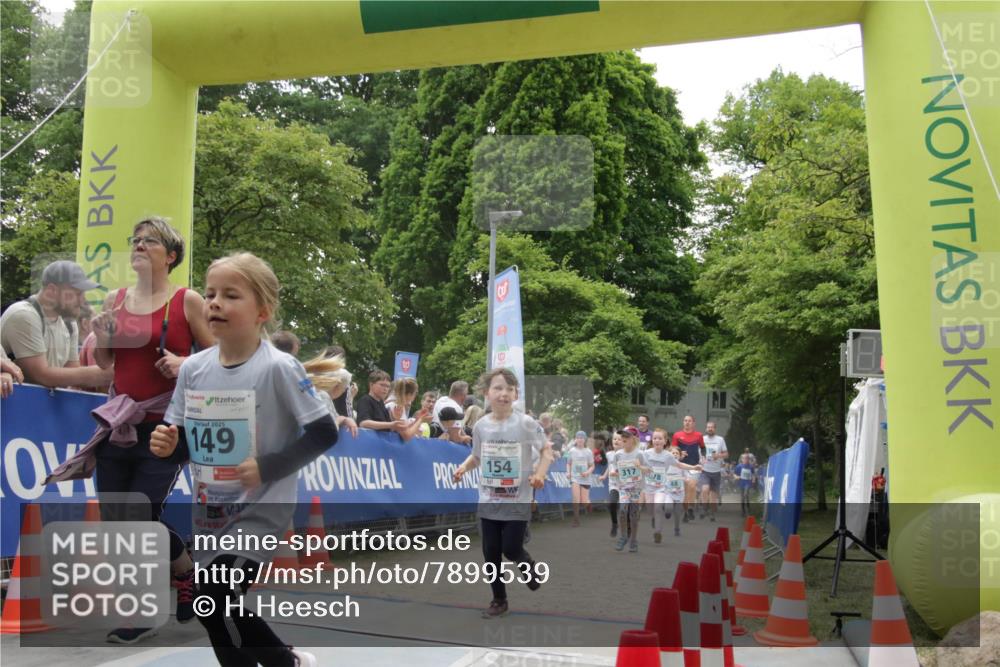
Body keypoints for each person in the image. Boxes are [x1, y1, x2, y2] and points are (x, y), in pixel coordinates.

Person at [150, 252, 337, 667]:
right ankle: (286, 661)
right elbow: (186, 441)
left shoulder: (278, 368)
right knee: (211, 606)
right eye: (211, 292)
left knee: (215, 598)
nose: (215, 302)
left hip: (261, 510)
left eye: (231, 295)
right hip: (211, 511)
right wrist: (168, 444)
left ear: (261, 312)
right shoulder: (194, 369)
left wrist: (266, 467)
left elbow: (325, 432)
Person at [86, 219, 214, 643]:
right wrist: (103, 336)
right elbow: (106, 363)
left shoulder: (187, 300)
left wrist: (184, 364)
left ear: (170, 255)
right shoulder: (115, 299)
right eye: (135, 240)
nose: (139, 245)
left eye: (149, 241)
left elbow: (220, 359)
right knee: (118, 517)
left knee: (138, 516)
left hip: (168, 425)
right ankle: (187, 574)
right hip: (119, 421)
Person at [452, 368, 552, 619]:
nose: (504, 394)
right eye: (498, 388)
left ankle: (527, 565)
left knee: (511, 548)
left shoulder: (526, 423)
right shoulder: (481, 426)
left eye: (509, 389)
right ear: (486, 393)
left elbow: (547, 451)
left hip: (517, 498)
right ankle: (499, 600)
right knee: (491, 552)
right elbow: (477, 456)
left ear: (516, 394)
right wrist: (463, 468)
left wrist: (539, 474)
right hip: (488, 498)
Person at [1, 260, 111, 389]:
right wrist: (108, 373)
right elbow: (42, 376)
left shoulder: (69, 323)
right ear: (52, 290)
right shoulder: (24, 314)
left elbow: (72, 374)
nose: (82, 301)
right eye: (77, 293)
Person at [645, 428, 701, 543]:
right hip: (649, 487)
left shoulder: (667, 456)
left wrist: (694, 467)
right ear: (652, 440)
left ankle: (658, 532)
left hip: (661, 487)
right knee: (651, 510)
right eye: (655, 438)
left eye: (660, 438)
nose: (657, 441)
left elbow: (679, 465)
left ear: (665, 441)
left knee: (658, 507)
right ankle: (654, 518)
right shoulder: (646, 454)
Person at [303, 353, 358, 437]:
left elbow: (334, 416)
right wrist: (340, 420)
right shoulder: (322, 395)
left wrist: (344, 419)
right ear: (337, 385)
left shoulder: (313, 391)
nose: (343, 392)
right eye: (343, 389)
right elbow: (329, 431)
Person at [611, 426, 648, 553]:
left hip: (636, 488)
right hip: (624, 488)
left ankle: (633, 540)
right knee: (622, 510)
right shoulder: (618, 454)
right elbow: (615, 469)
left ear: (634, 439)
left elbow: (649, 470)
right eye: (623, 436)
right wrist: (615, 473)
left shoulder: (640, 454)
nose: (623, 438)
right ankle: (623, 536)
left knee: (633, 514)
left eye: (627, 436)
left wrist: (640, 467)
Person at [671, 415, 705, 523]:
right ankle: (686, 511)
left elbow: (703, 448)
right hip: (682, 466)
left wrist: (703, 457)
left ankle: (690, 507)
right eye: (685, 420)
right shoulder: (677, 435)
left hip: (694, 465)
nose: (687, 423)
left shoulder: (699, 435)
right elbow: (673, 450)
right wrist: (680, 453)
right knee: (685, 491)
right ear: (683, 422)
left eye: (689, 421)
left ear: (693, 423)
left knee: (692, 485)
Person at [356, 369, 407, 434]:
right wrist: (391, 424)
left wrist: (396, 419)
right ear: (371, 385)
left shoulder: (381, 403)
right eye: (382, 385)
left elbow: (388, 428)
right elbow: (363, 423)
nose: (385, 389)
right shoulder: (365, 400)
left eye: (388, 386)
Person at [385, 376, 430, 441]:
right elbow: (407, 436)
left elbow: (404, 429)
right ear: (409, 394)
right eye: (415, 393)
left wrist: (418, 419)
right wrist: (421, 419)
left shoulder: (395, 404)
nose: (415, 396)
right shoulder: (397, 406)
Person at [699, 421, 728, 521]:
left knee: (713, 496)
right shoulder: (702, 439)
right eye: (708, 427)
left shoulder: (720, 440)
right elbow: (699, 452)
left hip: (716, 471)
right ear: (706, 429)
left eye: (712, 427)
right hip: (705, 470)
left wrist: (718, 456)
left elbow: (726, 454)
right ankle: (703, 509)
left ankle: (712, 512)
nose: (710, 429)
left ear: (715, 429)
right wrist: (700, 460)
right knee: (705, 489)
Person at [597, 431, 623, 538]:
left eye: (619, 439)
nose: (616, 441)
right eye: (614, 439)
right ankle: (614, 524)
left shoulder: (626, 455)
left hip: (625, 486)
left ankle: (627, 527)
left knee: (624, 509)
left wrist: (618, 473)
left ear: (624, 441)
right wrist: (604, 475)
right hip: (614, 484)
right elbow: (610, 466)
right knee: (611, 504)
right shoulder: (609, 454)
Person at [568, 431, 594, 527]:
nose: (580, 439)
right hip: (575, 478)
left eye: (582, 438)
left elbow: (592, 466)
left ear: (585, 439)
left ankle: (588, 504)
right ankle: (576, 519)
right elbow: (568, 463)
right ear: (575, 439)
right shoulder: (571, 451)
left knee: (584, 502)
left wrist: (587, 472)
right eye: (578, 437)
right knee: (576, 499)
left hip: (585, 478)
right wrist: (568, 472)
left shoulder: (588, 451)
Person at [734, 453, 756, 517]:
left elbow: (753, 474)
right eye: (745, 458)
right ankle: (743, 511)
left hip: (748, 483)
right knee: (743, 498)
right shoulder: (739, 466)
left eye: (747, 458)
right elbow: (734, 474)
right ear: (742, 459)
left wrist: (753, 479)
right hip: (741, 483)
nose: (746, 459)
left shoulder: (751, 466)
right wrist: (737, 477)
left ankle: (749, 511)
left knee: (746, 494)